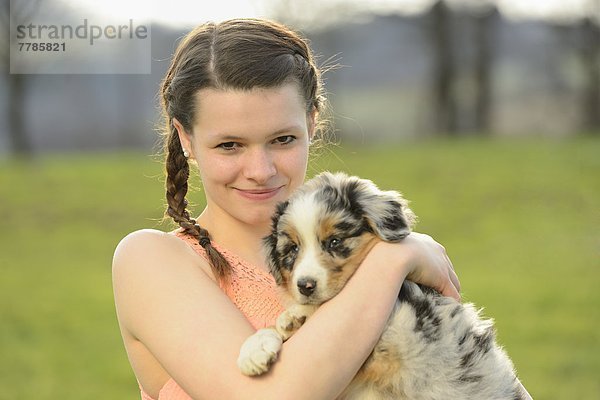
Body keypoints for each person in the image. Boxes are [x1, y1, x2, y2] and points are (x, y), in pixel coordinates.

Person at [112, 18, 462, 400]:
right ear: (186, 138)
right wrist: (397, 258)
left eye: (282, 139)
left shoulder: (362, 248)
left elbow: (484, 381)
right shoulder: (151, 260)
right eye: (230, 145)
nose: (261, 171)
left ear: (312, 123)